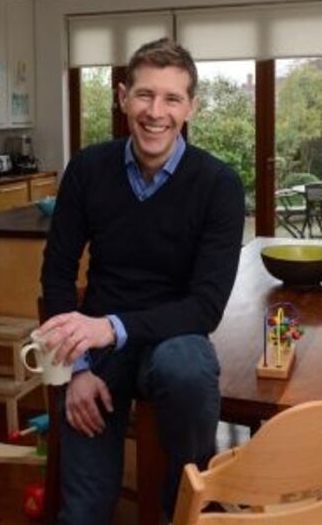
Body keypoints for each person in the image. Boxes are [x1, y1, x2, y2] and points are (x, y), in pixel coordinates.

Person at [36, 37, 245, 524]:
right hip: (95, 354)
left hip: (172, 339)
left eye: (172, 98)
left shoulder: (219, 184)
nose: (156, 112)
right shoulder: (88, 169)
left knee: (188, 369)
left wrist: (110, 327)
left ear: (191, 107)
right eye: (145, 95)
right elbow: (57, 273)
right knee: (83, 511)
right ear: (122, 98)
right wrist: (75, 370)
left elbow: (205, 307)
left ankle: (184, 503)